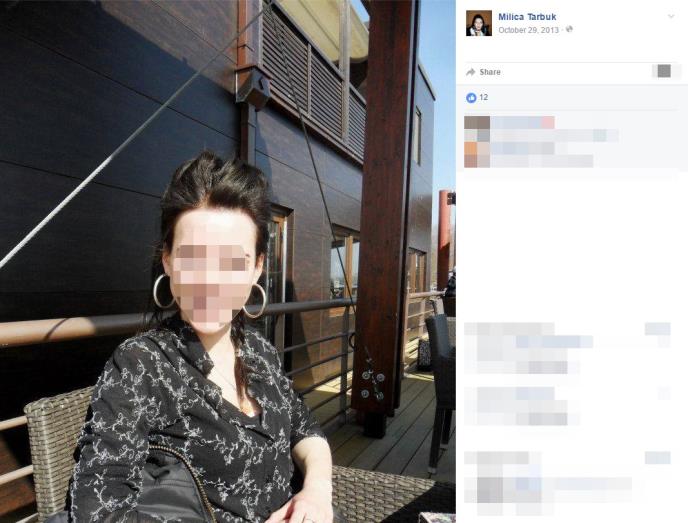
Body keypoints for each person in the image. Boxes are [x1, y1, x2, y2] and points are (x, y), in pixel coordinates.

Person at [65, 150, 339, 522]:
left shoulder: (258, 351)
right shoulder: (142, 365)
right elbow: (98, 510)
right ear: (168, 260)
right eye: (193, 258)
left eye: (232, 262)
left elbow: (305, 429)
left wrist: (317, 492)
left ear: (257, 267)